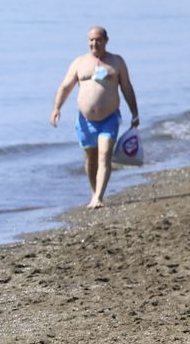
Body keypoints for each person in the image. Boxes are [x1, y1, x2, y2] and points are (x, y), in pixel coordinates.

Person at [50, 26, 141, 209]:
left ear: (106, 40)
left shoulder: (116, 62)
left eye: (98, 39)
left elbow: (127, 88)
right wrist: (57, 108)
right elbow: (65, 87)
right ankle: (94, 193)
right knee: (91, 159)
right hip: (85, 121)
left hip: (109, 118)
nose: (94, 43)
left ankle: (99, 197)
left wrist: (134, 112)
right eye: (91, 40)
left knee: (104, 155)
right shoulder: (79, 63)